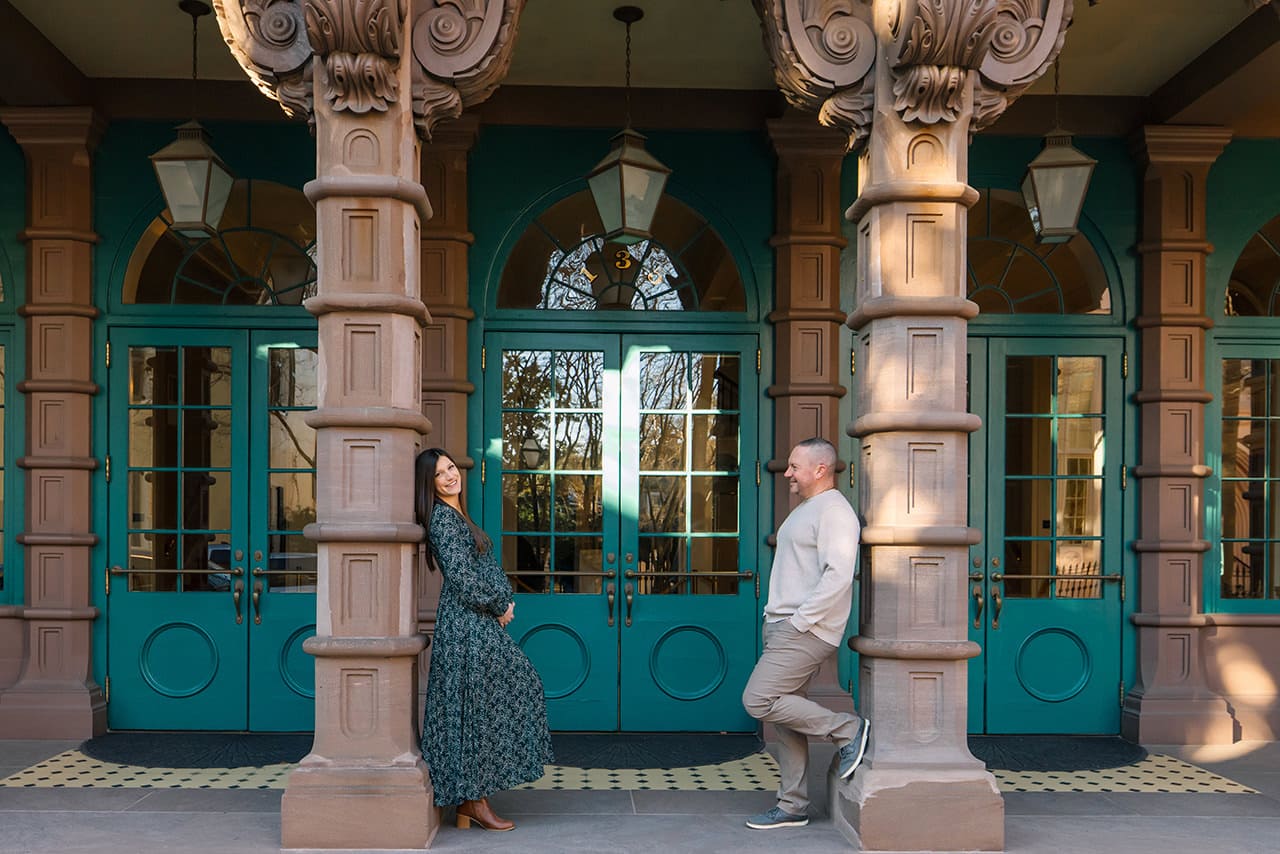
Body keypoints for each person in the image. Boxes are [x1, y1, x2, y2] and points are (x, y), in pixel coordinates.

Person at [415, 447, 553, 832]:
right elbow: (463, 579)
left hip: (475, 621)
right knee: (499, 696)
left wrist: (499, 601)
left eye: (451, 468)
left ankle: (472, 798)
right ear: (429, 483)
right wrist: (498, 605)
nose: (450, 476)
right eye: (440, 473)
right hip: (467, 624)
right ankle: (472, 798)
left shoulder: (456, 513)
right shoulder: (442, 519)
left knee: (477, 706)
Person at [741, 437, 868, 830]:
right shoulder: (809, 510)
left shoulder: (834, 511)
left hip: (803, 629)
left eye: (795, 467)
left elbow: (838, 576)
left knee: (758, 700)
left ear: (821, 469)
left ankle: (848, 729)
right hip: (785, 624)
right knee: (786, 713)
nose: (788, 473)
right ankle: (793, 805)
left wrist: (799, 622)